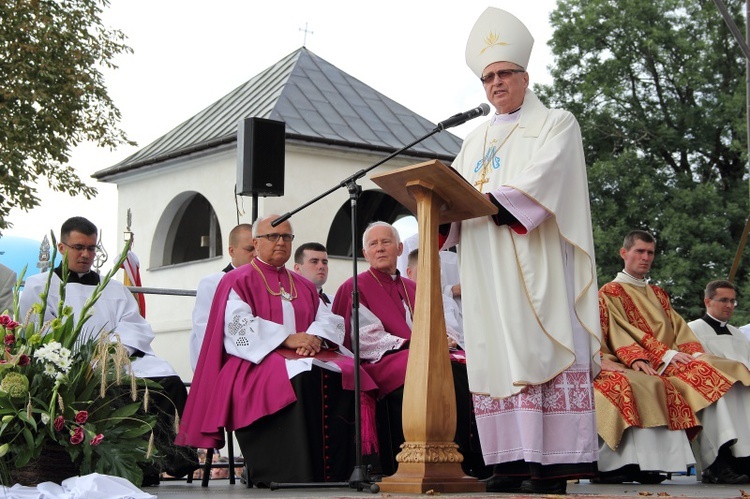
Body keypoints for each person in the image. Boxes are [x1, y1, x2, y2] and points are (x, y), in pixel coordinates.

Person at [441, 7, 601, 494]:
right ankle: (509, 463)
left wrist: (493, 203)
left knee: (539, 349)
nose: (495, 83)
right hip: (487, 268)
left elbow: (548, 179)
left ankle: (550, 468)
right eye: (488, 77)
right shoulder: (473, 141)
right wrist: (439, 211)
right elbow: (450, 192)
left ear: (525, 77)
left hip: (536, 259)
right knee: (495, 355)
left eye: (504, 73)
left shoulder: (556, 122)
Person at [176, 214, 378, 487]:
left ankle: (339, 470)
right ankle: (294, 470)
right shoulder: (237, 280)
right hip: (255, 360)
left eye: (286, 237)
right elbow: (237, 326)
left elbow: (329, 319)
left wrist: (314, 338)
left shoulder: (304, 284)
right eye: (273, 236)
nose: (280, 242)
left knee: (350, 371)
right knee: (302, 376)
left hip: (308, 353)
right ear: (257, 243)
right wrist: (287, 338)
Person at [19, 216, 198, 485]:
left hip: (116, 357)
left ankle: (160, 463)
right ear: (61, 247)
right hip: (70, 364)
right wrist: (85, 358)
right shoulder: (39, 286)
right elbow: (38, 331)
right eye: (79, 247)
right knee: (107, 389)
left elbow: (135, 325)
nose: (85, 254)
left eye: (91, 248)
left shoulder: (113, 288)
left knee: (169, 383)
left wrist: (112, 351)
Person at [331, 221, 489, 479]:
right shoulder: (354, 286)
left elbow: (437, 324)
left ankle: (471, 458)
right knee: (430, 367)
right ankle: (426, 457)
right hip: (382, 360)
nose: (380, 248)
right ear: (365, 253)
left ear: (399, 247)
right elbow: (362, 337)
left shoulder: (414, 287)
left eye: (386, 242)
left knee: (468, 365)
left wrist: (443, 339)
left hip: (419, 352)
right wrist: (412, 343)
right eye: (373, 244)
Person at [600, 230, 750, 484]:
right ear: (624, 253)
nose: (646, 257)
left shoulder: (658, 294)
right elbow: (621, 333)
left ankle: (740, 455)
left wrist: (694, 351)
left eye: (650, 253)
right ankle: (717, 462)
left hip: (673, 359)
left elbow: (679, 328)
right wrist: (664, 355)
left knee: (732, 372)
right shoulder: (610, 292)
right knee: (708, 378)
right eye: (640, 251)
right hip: (653, 363)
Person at [189, 223, 256, 371]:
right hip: (225, 360)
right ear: (232, 251)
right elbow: (204, 328)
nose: (256, 254)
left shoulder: (266, 282)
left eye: (258, 249)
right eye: (249, 249)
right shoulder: (214, 282)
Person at [405, 248, 463, 349]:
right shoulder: (403, 302)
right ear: (409, 273)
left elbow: (461, 337)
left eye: (436, 271)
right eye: (424, 270)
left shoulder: (448, 302)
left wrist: (451, 339)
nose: (430, 276)